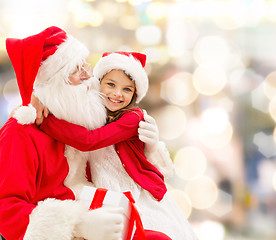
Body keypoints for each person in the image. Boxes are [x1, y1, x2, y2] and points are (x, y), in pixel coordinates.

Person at [0, 26, 171, 240]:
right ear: (55, 81)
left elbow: (116, 157)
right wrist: (78, 226)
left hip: (98, 209)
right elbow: (6, 211)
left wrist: (151, 148)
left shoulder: (75, 120)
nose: (88, 76)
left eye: (85, 65)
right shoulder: (21, 132)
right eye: (76, 69)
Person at [36, 51, 199, 240]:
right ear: (98, 83)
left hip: (135, 192)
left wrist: (46, 121)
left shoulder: (133, 118)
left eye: (127, 89)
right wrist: (43, 100)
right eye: (111, 84)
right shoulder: (94, 111)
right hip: (106, 192)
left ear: (135, 94)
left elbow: (90, 140)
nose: (117, 94)